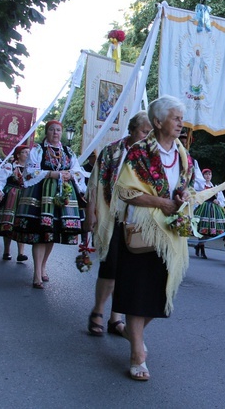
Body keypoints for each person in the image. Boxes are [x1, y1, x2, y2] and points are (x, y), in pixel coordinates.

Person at [111, 95, 196, 381]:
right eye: (175, 118)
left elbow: (185, 185)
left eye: (181, 118)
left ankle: (132, 334)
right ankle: (137, 353)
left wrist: (183, 195)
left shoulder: (183, 154)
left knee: (159, 294)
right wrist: (161, 203)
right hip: (143, 230)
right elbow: (125, 191)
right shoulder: (139, 153)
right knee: (138, 292)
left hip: (170, 233)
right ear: (158, 122)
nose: (180, 123)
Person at [84, 111, 151, 338]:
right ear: (132, 130)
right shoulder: (112, 151)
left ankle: (116, 318)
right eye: (144, 131)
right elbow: (95, 182)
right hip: (111, 217)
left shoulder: (152, 156)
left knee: (129, 271)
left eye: (151, 133)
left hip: (138, 220)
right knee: (110, 266)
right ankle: (98, 311)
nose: (147, 136)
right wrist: (90, 212)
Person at [13, 120, 86, 289]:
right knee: (41, 232)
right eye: (52, 130)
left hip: (62, 193)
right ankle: (37, 273)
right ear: (46, 132)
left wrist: (70, 174)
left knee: (52, 232)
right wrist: (53, 174)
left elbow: (77, 169)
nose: (55, 133)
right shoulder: (38, 149)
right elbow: (30, 171)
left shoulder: (67, 151)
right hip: (42, 193)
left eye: (58, 130)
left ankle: (44, 266)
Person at [0, 145, 29, 262]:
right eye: (25, 152)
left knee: (22, 224)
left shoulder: (31, 168)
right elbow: (0, 179)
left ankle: (21, 253)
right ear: (18, 155)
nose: (27, 155)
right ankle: (7, 251)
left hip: (24, 197)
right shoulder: (10, 166)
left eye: (28, 152)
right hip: (11, 196)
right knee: (9, 225)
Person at [193, 168, 225, 258]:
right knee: (202, 229)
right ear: (203, 176)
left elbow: (222, 199)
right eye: (206, 174)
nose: (208, 176)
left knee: (209, 232)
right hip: (202, 209)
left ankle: (199, 246)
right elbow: (195, 196)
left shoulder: (215, 187)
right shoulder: (199, 186)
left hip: (212, 211)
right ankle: (202, 250)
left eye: (209, 174)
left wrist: (218, 202)